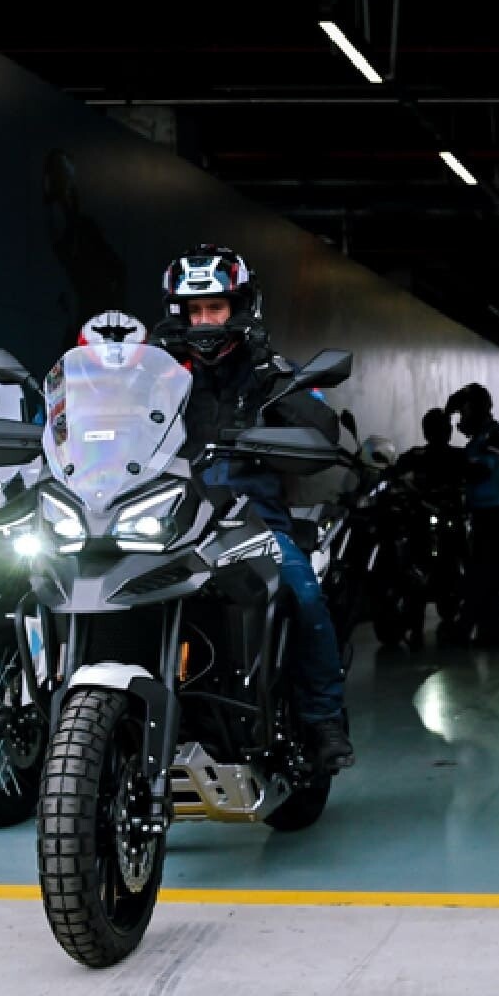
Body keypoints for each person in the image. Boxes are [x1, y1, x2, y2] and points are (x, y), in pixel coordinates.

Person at [154, 245, 352, 771]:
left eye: (215, 308)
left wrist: (268, 370)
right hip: (169, 520)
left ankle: (323, 718)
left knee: (303, 593)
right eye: (194, 311)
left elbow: (323, 431)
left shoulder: (270, 369)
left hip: (252, 521)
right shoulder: (162, 375)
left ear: (241, 308)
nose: (204, 321)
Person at [446, 384, 499, 648]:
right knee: (488, 577)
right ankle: (491, 632)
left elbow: (480, 470)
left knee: (482, 574)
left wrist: (454, 465)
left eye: (463, 412)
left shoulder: (495, 438)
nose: (461, 420)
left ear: (476, 409)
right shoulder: (481, 438)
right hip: (486, 515)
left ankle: (469, 630)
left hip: (497, 517)